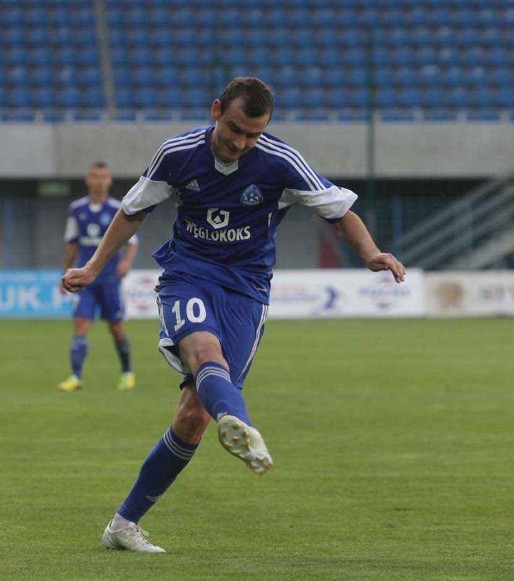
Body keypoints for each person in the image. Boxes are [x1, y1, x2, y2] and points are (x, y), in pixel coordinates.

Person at [61, 77, 406, 553]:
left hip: (247, 290)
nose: (241, 143)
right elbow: (133, 211)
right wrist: (95, 265)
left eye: (253, 135)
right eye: (235, 129)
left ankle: (123, 524)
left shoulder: (281, 162)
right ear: (217, 110)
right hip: (189, 273)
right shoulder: (178, 154)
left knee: (191, 417)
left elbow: (338, 211)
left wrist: (371, 253)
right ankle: (241, 424)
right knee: (204, 352)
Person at [58, 161, 138, 392]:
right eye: (95, 176)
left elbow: (132, 242)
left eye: (103, 176)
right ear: (88, 180)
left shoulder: (117, 209)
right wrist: (65, 273)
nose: (99, 181)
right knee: (81, 324)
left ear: (109, 180)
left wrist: (126, 262)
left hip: (109, 278)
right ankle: (75, 376)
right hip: (85, 280)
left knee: (116, 327)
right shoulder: (77, 209)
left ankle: (127, 372)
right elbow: (71, 244)